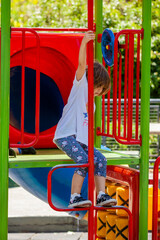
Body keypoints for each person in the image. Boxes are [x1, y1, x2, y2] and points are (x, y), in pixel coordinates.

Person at [53, 31, 117, 208]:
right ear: (91, 81)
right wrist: (84, 43)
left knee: (101, 159)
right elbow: (82, 65)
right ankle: (74, 197)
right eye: (97, 86)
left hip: (80, 139)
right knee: (83, 160)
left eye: (101, 89)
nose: (98, 91)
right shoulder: (80, 86)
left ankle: (101, 195)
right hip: (65, 136)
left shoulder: (92, 103)